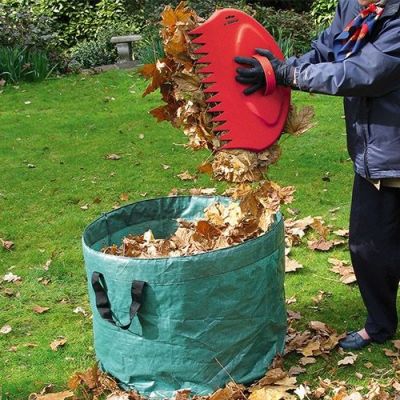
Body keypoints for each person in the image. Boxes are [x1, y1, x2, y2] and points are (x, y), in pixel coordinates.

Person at [235, 0, 400, 351]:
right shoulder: (355, 8)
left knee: (378, 242)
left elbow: (363, 73)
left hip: (395, 150)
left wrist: (287, 75)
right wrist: (277, 68)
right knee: (367, 245)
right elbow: (328, 52)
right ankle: (381, 325)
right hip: (378, 153)